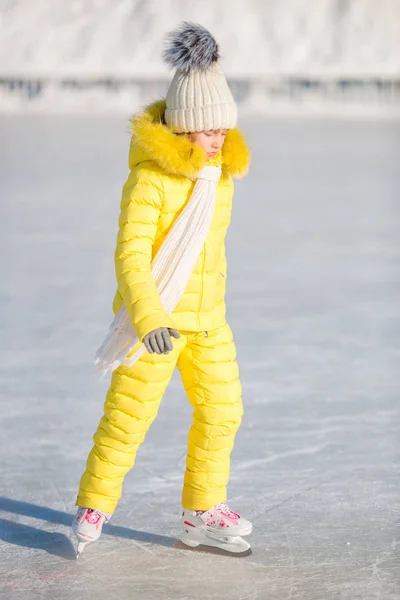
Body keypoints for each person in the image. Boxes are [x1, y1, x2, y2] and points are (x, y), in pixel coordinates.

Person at [72, 22, 252, 556]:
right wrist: (149, 318)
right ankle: (93, 505)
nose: (219, 139)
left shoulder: (217, 179)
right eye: (208, 129)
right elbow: (130, 256)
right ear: (182, 128)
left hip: (210, 321)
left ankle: (202, 511)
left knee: (224, 412)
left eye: (224, 128)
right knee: (128, 418)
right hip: (158, 322)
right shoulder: (151, 179)